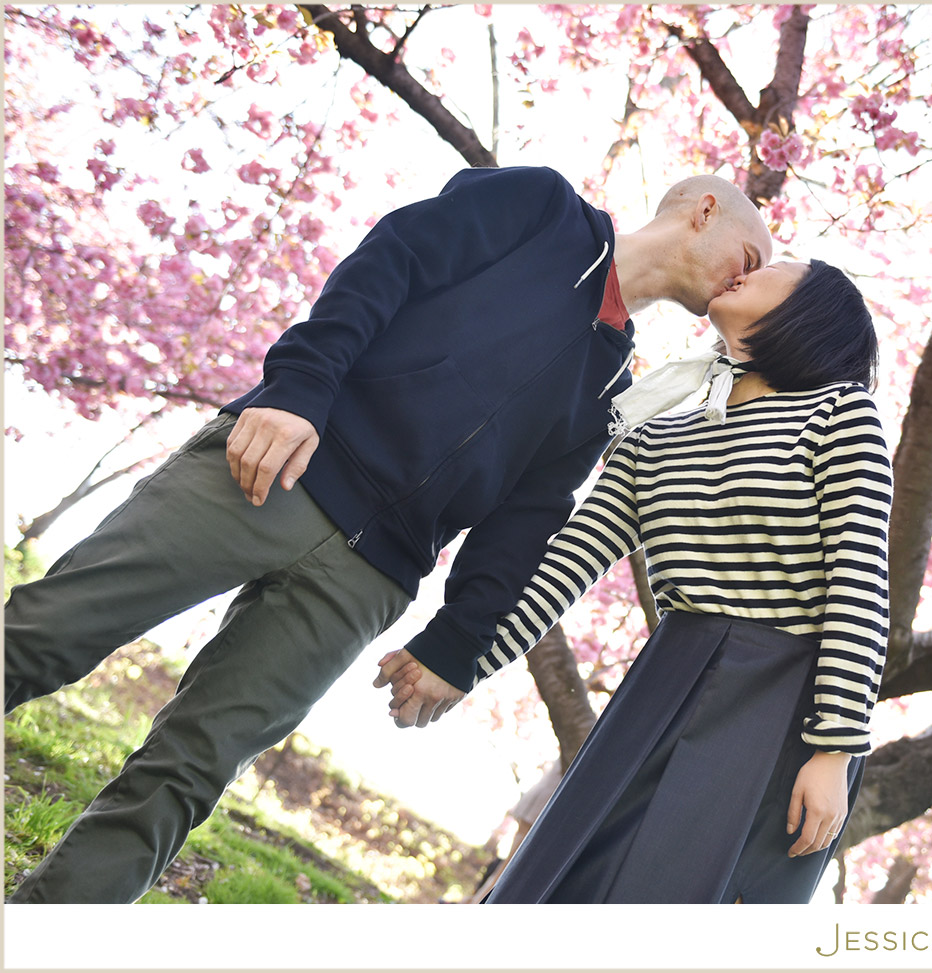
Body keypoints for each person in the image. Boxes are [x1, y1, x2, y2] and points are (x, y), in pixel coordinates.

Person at [4, 165, 773, 904]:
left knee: (187, 774)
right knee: (45, 632)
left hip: (366, 579)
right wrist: (298, 390)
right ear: (703, 209)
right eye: (750, 257)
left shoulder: (613, 381)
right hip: (283, 465)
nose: (748, 281)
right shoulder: (539, 210)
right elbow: (389, 262)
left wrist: (456, 643)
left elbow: (527, 520)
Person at [380, 258, 891, 903]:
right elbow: (568, 563)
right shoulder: (656, 429)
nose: (749, 269)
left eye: (779, 269)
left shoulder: (841, 417)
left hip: (786, 709)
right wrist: (462, 660)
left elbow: (860, 588)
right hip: (665, 679)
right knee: (565, 884)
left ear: (811, 312)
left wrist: (834, 752)